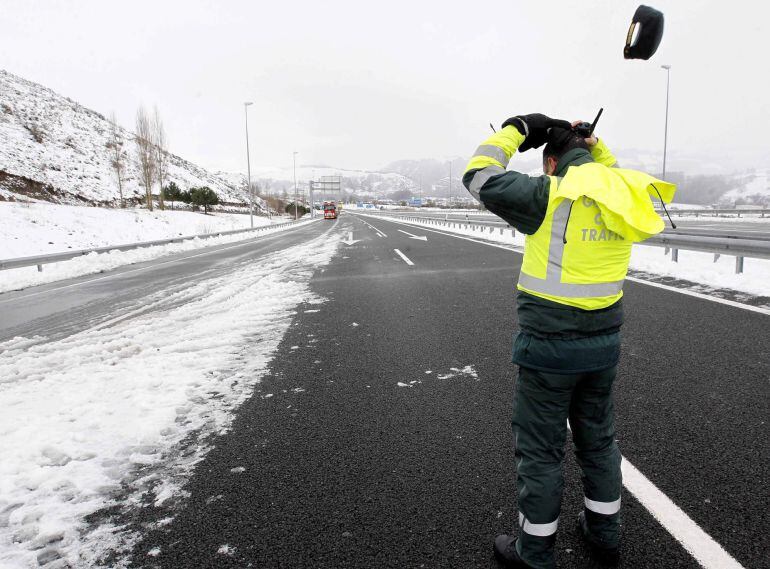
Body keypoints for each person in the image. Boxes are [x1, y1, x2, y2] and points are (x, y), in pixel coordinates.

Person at [462, 114, 676, 569]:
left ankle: (534, 554)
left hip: (548, 350)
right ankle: (605, 537)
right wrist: (589, 142)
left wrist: (519, 128)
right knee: (599, 443)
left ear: (553, 162)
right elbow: (608, 169)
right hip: (603, 348)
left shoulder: (550, 193)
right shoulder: (622, 191)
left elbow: (478, 175)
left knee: (541, 452)